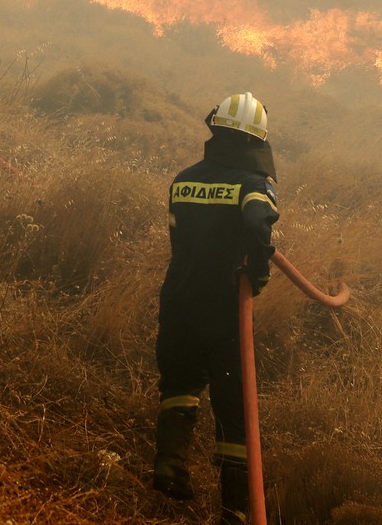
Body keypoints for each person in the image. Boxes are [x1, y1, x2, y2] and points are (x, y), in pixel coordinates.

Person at [154, 92, 278, 524]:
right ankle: (237, 511)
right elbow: (258, 226)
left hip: (179, 299)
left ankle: (169, 469)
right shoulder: (253, 184)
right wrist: (257, 271)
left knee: (180, 383)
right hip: (226, 311)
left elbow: (180, 239)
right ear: (254, 142)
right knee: (233, 406)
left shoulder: (183, 179)